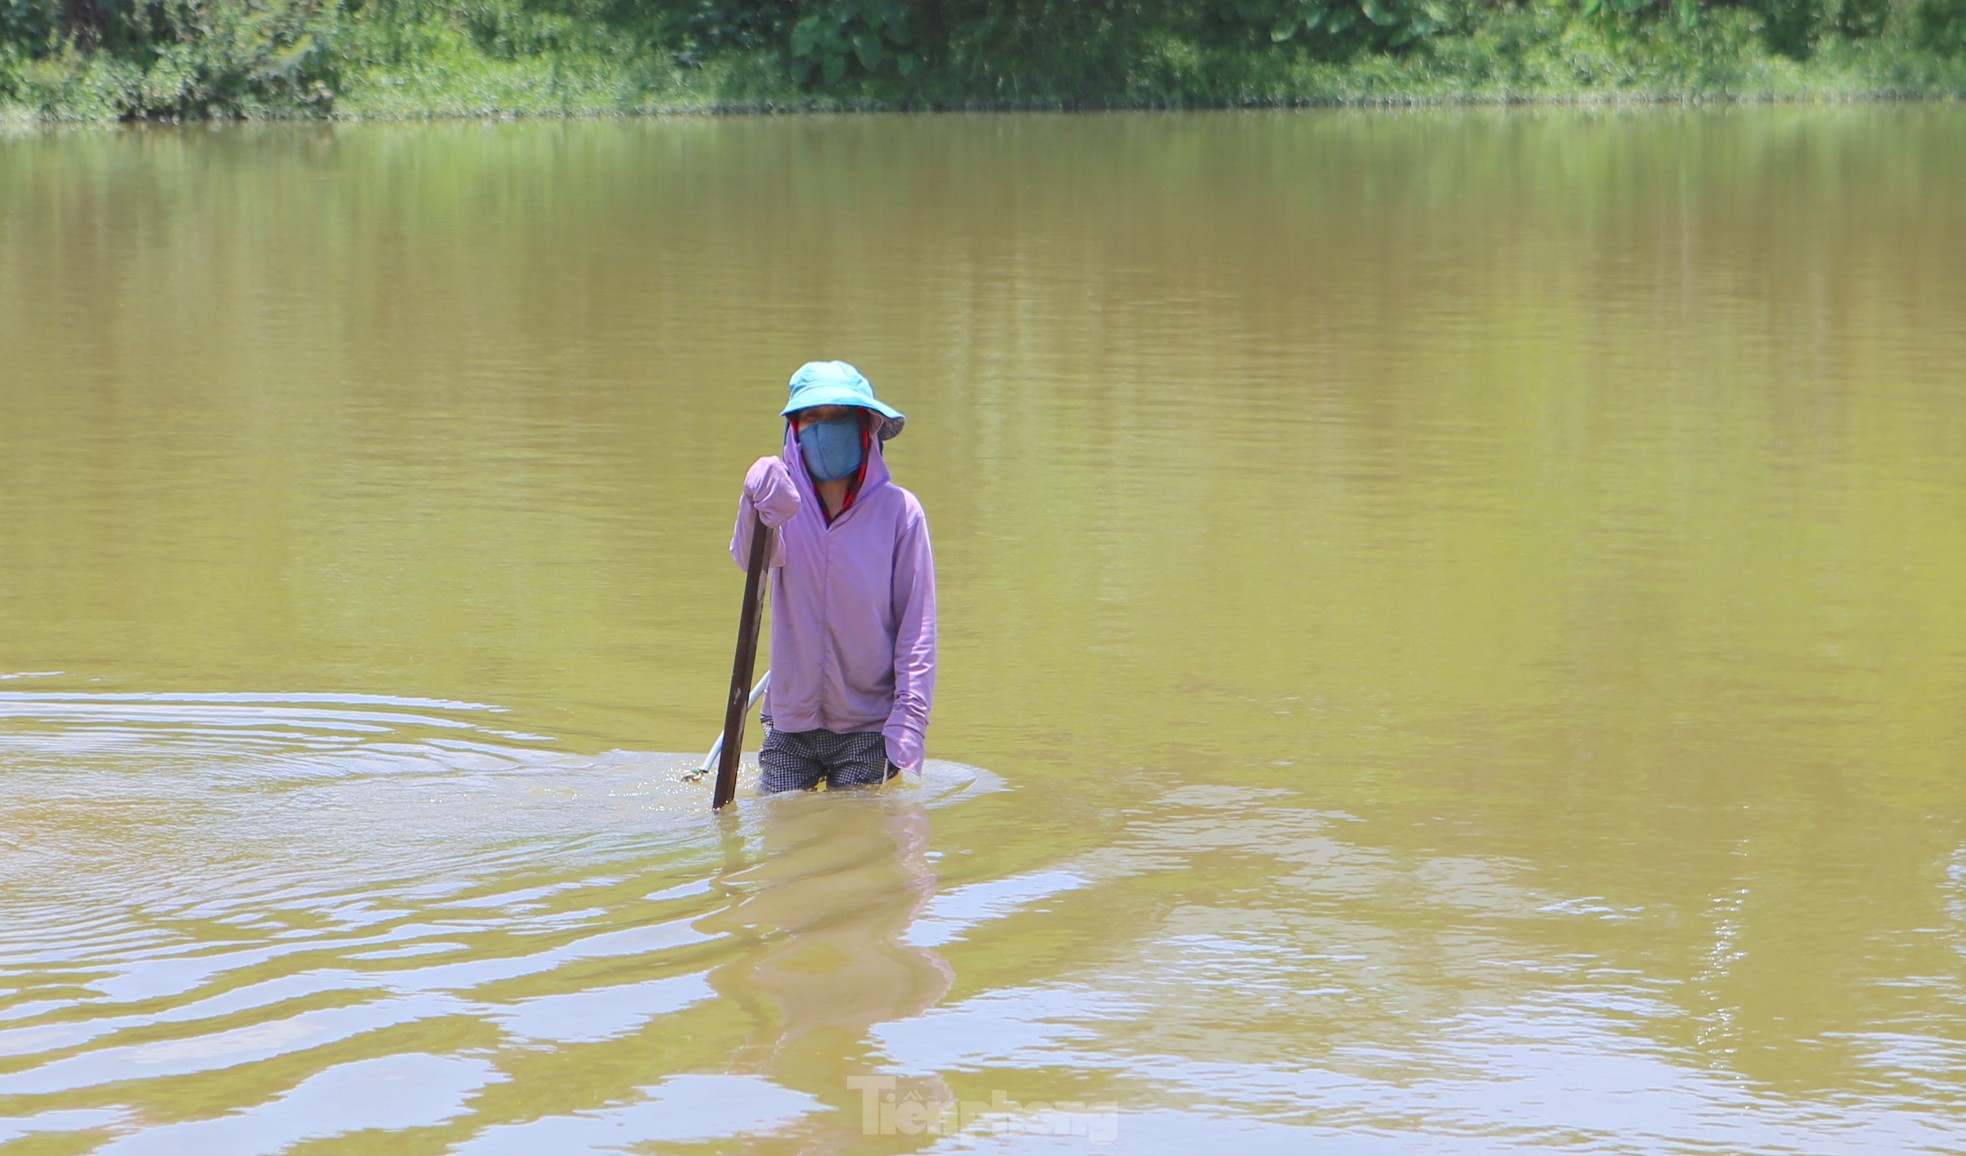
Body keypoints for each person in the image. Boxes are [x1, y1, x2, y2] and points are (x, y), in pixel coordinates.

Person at [731, 360, 936, 793]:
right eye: (811, 418)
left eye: (838, 417)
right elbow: (753, 563)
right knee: (785, 837)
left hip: (868, 727)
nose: (824, 430)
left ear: (866, 426)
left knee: (854, 838)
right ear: (794, 430)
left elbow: (917, 633)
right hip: (791, 723)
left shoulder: (900, 514)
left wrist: (908, 725)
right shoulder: (779, 502)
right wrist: (753, 502)